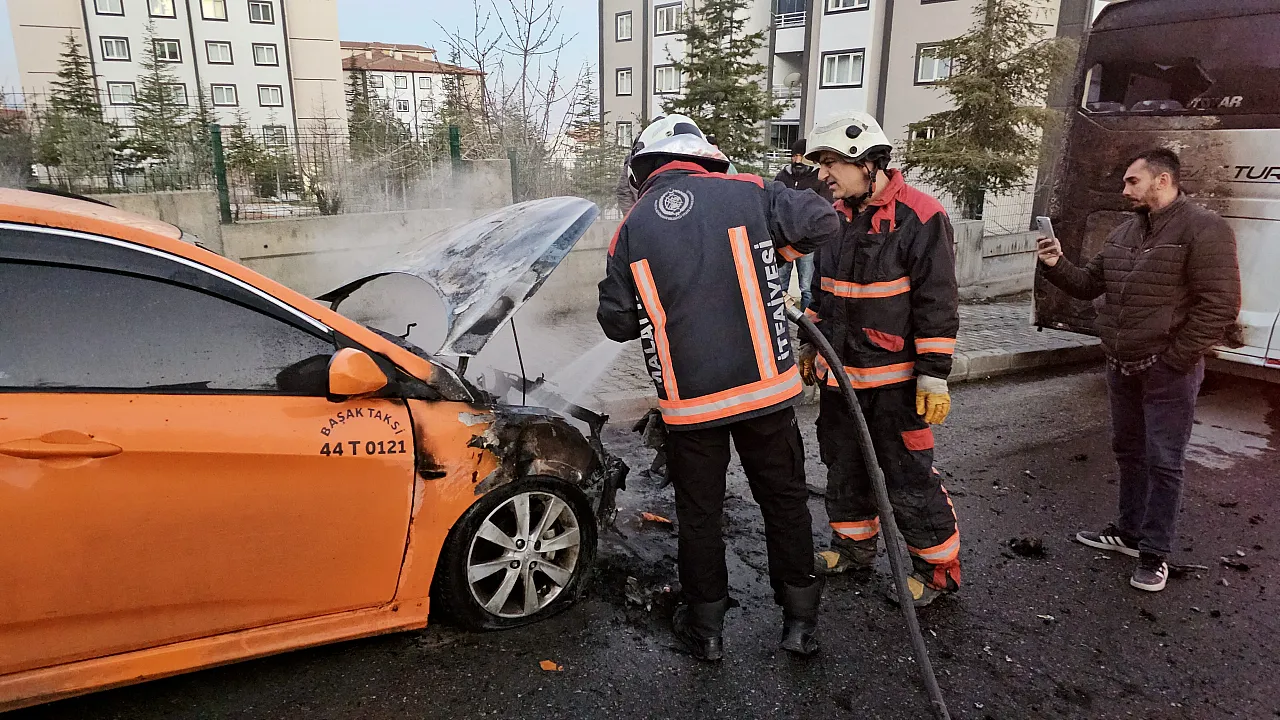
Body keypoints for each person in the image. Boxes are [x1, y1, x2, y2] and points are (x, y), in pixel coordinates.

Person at [597, 114, 843, 660]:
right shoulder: (752, 191)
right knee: (784, 502)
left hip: (690, 405)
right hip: (766, 393)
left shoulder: (632, 225)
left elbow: (615, 321)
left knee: (700, 513)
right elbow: (825, 222)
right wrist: (772, 256)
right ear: (706, 157)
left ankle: (706, 630)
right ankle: (800, 623)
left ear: (645, 168)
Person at [1036, 148, 1241, 593]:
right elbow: (1091, 283)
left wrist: (1177, 357)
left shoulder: (1204, 228)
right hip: (1121, 363)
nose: (1124, 189)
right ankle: (1128, 533)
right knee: (1129, 452)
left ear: (1162, 180)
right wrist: (1054, 264)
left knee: (1164, 461)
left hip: (1168, 369)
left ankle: (1154, 554)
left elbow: (1220, 304)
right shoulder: (1125, 232)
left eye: (1132, 181)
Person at [799, 112, 962, 608]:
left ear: (867, 161)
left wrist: (933, 377)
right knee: (843, 466)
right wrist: (811, 341)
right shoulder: (836, 220)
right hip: (841, 378)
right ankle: (852, 547)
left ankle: (937, 571)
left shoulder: (921, 216)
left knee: (906, 475)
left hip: (895, 384)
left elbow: (937, 302)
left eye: (830, 164)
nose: (823, 176)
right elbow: (822, 291)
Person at [773, 138, 833, 311]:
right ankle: (780, 323)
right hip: (784, 240)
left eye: (801, 156)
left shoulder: (819, 179)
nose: (797, 161)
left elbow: (825, 206)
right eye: (794, 156)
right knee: (779, 286)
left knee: (806, 288)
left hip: (807, 242)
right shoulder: (782, 177)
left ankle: (807, 326)